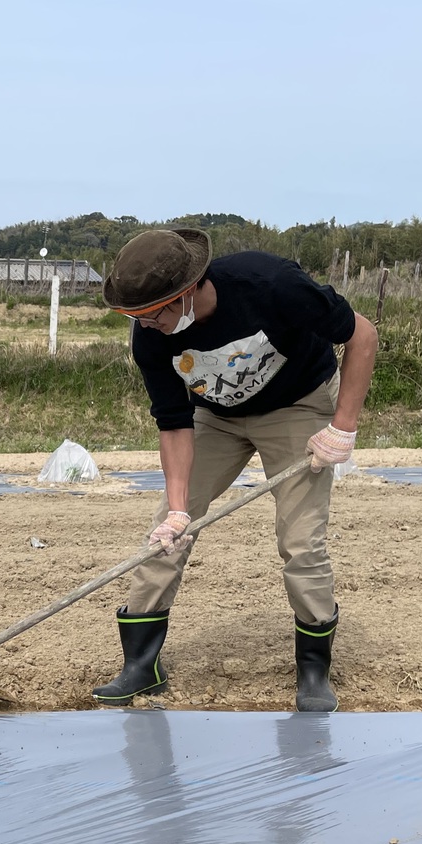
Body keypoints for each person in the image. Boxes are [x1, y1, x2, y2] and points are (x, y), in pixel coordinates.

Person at [93, 228, 377, 713]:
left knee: (300, 539)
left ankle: (313, 672)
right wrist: (180, 509)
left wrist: (342, 427)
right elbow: (174, 422)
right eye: (132, 316)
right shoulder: (150, 337)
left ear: (185, 293)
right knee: (165, 533)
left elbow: (362, 334)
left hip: (297, 404)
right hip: (215, 419)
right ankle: (141, 667)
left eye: (149, 313)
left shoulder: (271, 284)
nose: (142, 325)